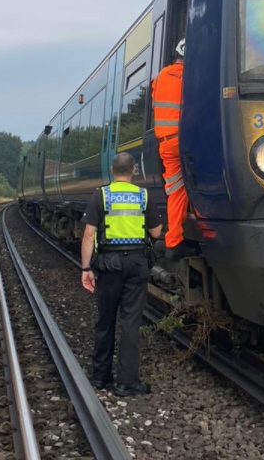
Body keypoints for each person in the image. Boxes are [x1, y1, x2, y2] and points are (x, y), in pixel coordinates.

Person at [80, 152, 162, 396]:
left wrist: (86, 269)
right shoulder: (143, 195)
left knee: (105, 320)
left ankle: (100, 377)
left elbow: (88, 235)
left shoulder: (101, 195)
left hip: (108, 265)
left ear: (112, 171)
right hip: (137, 264)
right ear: (134, 170)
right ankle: (126, 382)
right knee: (130, 323)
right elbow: (156, 232)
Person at [151, 39, 198, 260]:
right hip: (187, 140)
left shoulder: (160, 76)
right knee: (202, 180)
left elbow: (155, 98)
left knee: (176, 190)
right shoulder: (193, 77)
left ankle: (174, 241)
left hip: (166, 142)